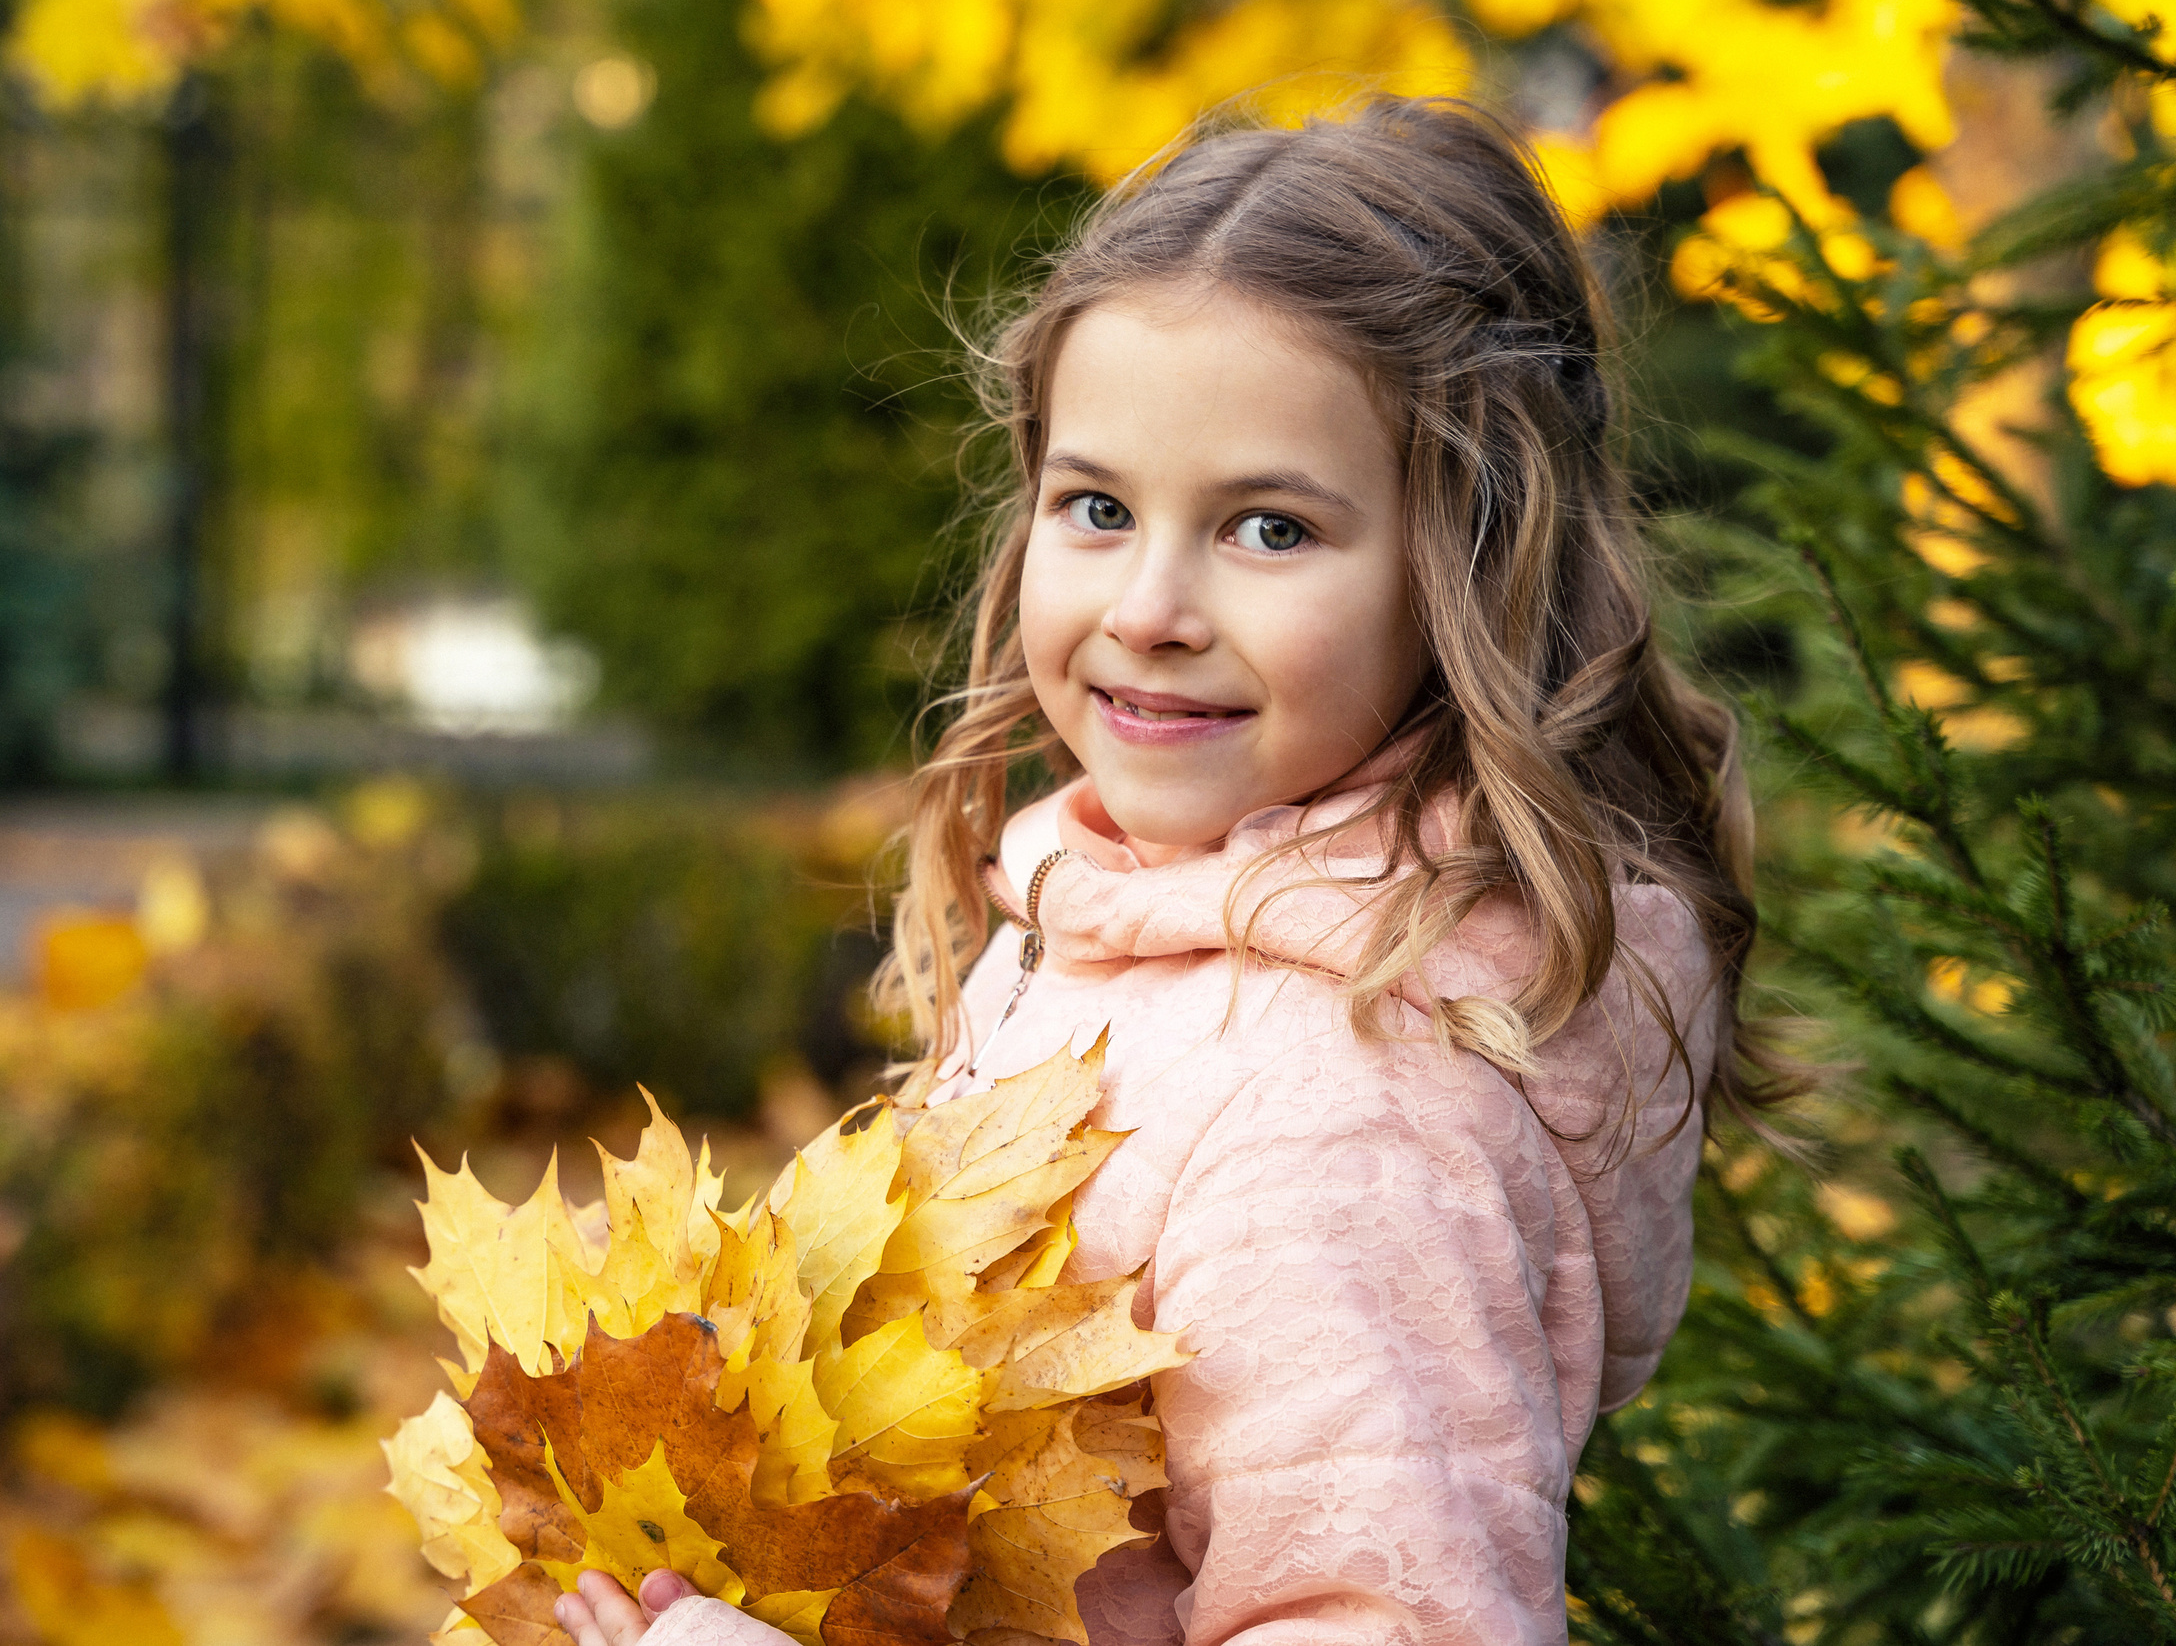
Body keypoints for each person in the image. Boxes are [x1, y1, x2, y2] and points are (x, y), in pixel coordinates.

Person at [554, 94, 1795, 1646]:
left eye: (1269, 530)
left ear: (1468, 567)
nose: (1148, 605)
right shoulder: (1121, 917)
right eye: (1096, 508)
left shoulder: (1344, 1114)